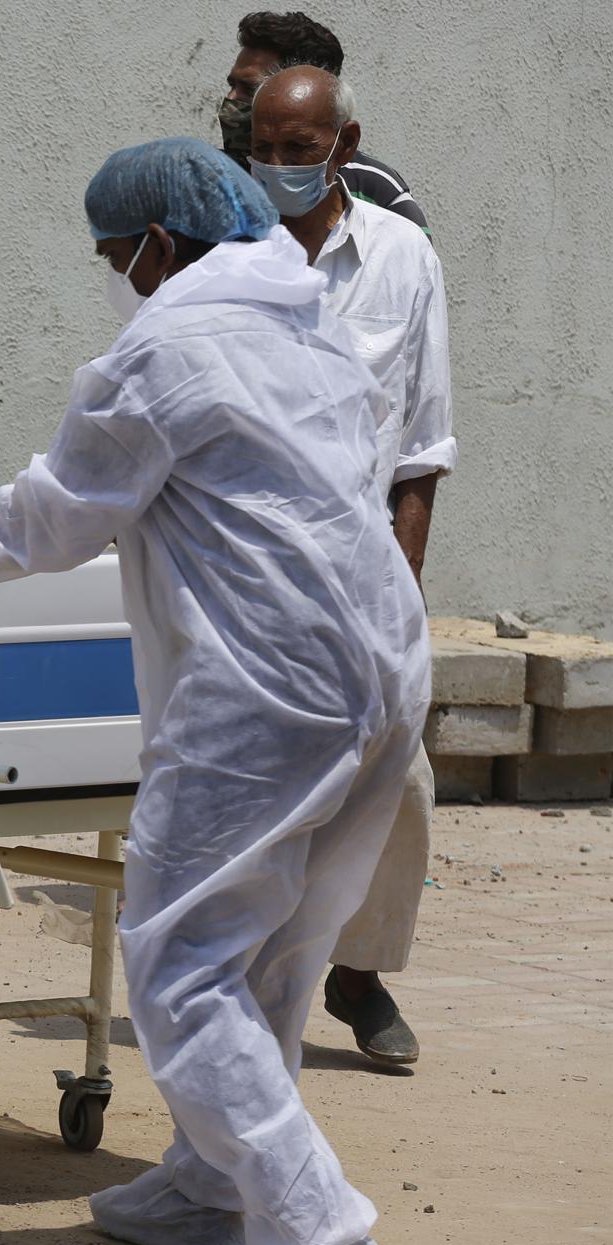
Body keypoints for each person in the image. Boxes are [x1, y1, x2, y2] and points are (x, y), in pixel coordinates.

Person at [0, 140, 425, 1245]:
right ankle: (212, 1188)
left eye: (113, 255)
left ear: (157, 248)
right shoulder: (304, 319)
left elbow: (57, 518)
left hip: (265, 685)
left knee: (177, 962)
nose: (112, 275)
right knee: (270, 947)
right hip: (378, 663)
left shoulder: (162, 347)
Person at [251, 64, 454, 1066]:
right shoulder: (229, 259)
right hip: (247, 572)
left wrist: (400, 593)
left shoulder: (402, 261)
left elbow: (420, 448)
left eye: (300, 150)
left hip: (361, 571)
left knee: (395, 782)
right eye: (267, 151)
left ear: (344, 141)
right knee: (255, 787)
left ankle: (356, 971)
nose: (282, 169)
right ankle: (240, 984)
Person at [217, 11, 430, 236]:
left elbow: (414, 263)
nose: (231, 99)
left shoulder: (373, 187)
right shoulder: (211, 179)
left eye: (250, 89)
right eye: (233, 85)